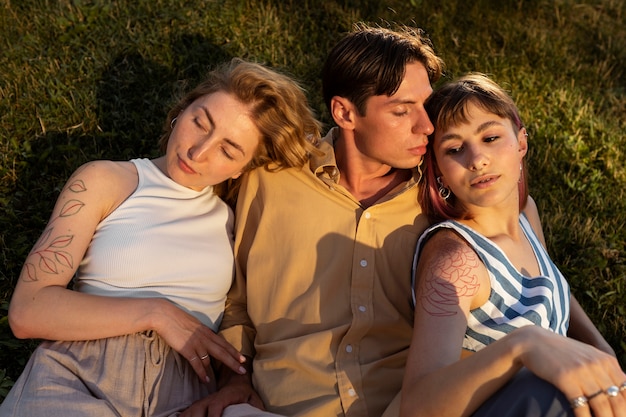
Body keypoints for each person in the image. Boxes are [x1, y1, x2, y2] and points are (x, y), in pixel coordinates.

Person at [0, 58, 322, 417]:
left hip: (188, 394)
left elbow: (237, 315)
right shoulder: (106, 181)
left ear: (244, 168)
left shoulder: (236, 219)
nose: (198, 152)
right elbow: (28, 311)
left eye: (228, 150)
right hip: (79, 379)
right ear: (182, 109)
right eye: (200, 122)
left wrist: (236, 382)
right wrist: (156, 313)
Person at [180, 22, 444, 417]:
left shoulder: (439, 195)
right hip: (285, 405)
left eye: (428, 106)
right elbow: (236, 302)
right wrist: (235, 379)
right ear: (345, 112)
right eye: (402, 110)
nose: (427, 126)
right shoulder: (270, 180)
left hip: (405, 405)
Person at [401, 73, 625, 417]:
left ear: (521, 143)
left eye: (490, 137)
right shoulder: (456, 260)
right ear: (440, 171)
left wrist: (601, 349)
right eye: (455, 149)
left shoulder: (526, 214)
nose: (477, 159)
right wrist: (521, 346)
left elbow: (554, 286)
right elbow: (418, 407)